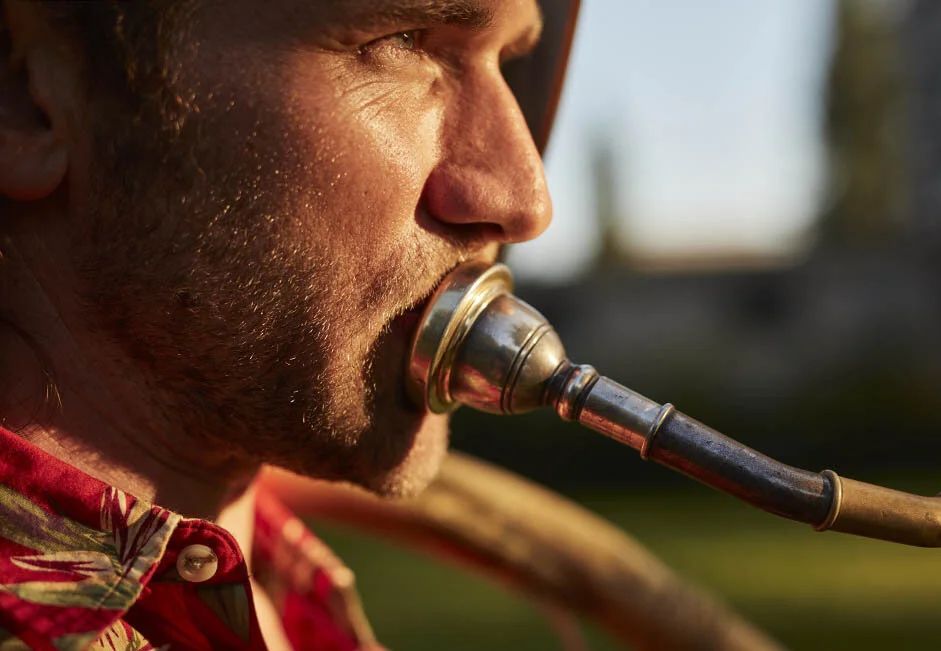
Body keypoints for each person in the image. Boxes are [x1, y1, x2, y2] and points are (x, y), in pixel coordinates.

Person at [0, 0, 568, 648]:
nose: (525, 200)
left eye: (508, 60)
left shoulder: (287, 577)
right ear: (23, 99)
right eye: (403, 40)